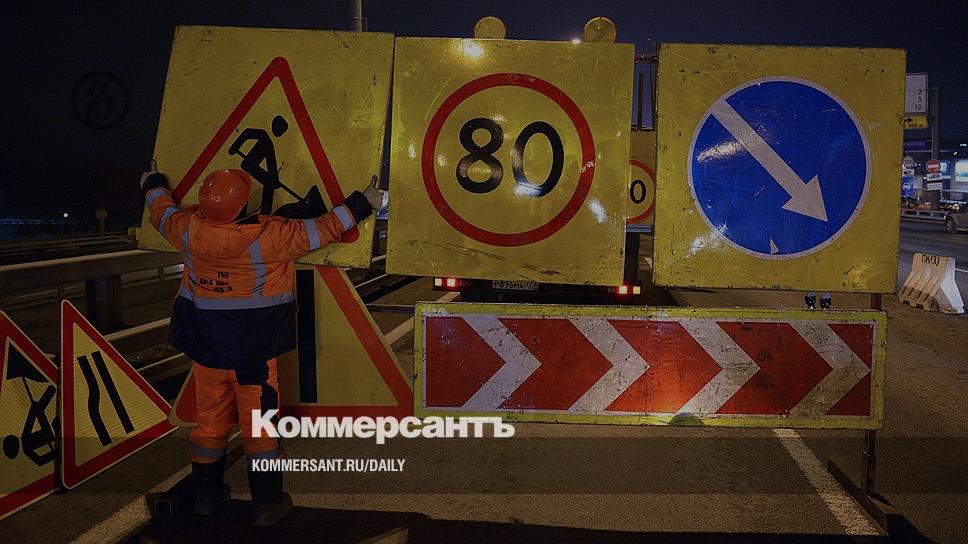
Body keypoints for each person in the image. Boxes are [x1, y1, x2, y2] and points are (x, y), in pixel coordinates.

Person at [140, 168, 383, 526]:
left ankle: (206, 496)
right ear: (244, 204)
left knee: (209, 424)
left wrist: (152, 182)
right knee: (259, 426)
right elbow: (326, 228)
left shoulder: (187, 229)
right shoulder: (271, 238)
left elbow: (161, 210)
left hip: (208, 351)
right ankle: (267, 502)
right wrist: (364, 202)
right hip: (254, 355)